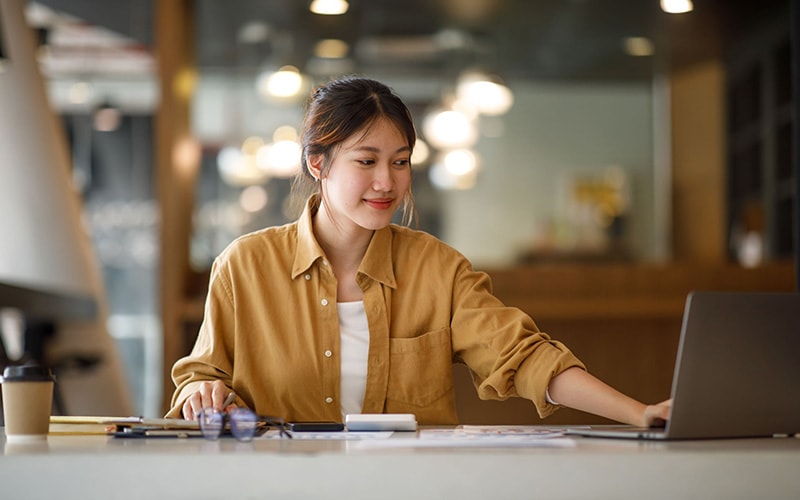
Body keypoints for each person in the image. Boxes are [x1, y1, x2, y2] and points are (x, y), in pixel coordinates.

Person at [167, 76, 670, 427]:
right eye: (367, 161)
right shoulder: (245, 266)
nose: (387, 182)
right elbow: (201, 375)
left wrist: (638, 413)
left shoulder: (439, 270)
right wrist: (201, 395)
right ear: (318, 163)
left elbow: (524, 357)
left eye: (401, 162)